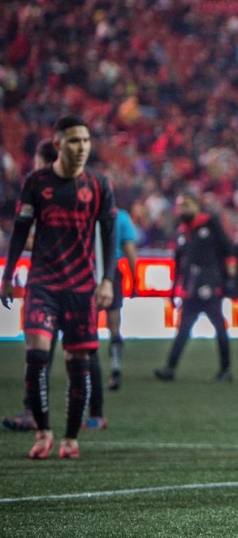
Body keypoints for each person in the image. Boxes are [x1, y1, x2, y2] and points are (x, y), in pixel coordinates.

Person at [1, 116, 116, 460]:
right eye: (73, 141)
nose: (81, 147)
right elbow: (20, 231)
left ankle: (69, 438)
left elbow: (109, 236)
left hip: (82, 287)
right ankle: (42, 432)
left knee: (77, 362)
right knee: (36, 357)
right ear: (58, 145)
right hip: (43, 284)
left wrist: (108, 279)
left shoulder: (99, 184)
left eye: (85, 140)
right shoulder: (37, 182)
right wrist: (7, 276)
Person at [3, 139, 58, 434]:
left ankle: (37, 416)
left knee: (39, 352)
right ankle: (39, 415)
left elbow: (24, 234)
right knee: (70, 353)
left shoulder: (42, 188)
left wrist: (9, 273)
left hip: (50, 282)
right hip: (63, 281)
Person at [154, 192, 236, 381]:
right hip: (190, 287)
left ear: (196, 205)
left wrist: (229, 279)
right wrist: (173, 289)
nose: (183, 209)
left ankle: (225, 370)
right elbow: (178, 262)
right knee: (183, 329)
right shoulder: (182, 230)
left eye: (186, 205)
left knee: (219, 327)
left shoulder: (210, 223)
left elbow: (228, 249)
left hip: (210, 285)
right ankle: (170, 368)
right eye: (180, 206)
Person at [102, 205, 139, 393]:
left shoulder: (81, 210)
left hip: (83, 268)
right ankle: (115, 369)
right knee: (114, 323)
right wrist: (135, 278)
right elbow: (129, 247)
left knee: (83, 321)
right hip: (111, 270)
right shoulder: (120, 216)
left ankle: (81, 369)